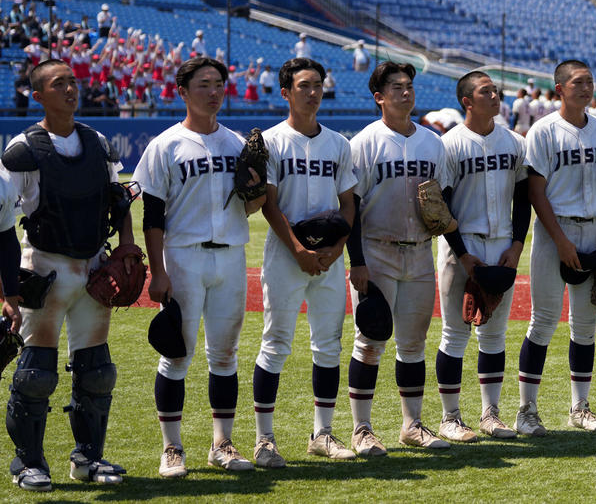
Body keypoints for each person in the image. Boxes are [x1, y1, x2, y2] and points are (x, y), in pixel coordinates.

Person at [3, 59, 133, 491]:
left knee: (97, 371)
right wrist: (6, 289)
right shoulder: (23, 150)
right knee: (35, 374)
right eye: (59, 84)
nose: (71, 90)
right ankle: (28, 463)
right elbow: (3, 221)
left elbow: (118, 201)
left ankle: (88, 459)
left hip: (94, 266)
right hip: (44, 267)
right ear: (37, 96)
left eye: (73, 82)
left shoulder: (97, 143)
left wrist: (128, 249)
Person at [136, 57, 267, 478]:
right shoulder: (165, 145)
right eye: (204, 84)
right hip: (183, 255)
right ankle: (171, 448)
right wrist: (158, 271)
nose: (213, 91)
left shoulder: (234, 144)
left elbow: (249, 207)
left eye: (218, 84)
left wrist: (257, 190)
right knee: (177, 354)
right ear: (183, 91)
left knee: (225, 354)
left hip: (230, 254)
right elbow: (152, 215)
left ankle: (222, 443)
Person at [252, 58, 358, 466]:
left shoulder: (338, 144)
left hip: (331, 259)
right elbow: (270, 206)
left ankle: (323, 433)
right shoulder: (273, 141)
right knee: (275, 344)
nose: (312, 92)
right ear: (285, 92)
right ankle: (265, 439)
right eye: (303, 85)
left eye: (318, 84)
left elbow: (348, 203)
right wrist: (298, 249)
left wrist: (337, 249)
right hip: (285, 254)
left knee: (328, 346)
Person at [346, 62, 455, 455]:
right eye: (396, 87)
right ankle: (362, 429)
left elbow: (442, 200)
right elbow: (351, 208)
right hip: (377, 251)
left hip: (420, 253)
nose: (405, 93)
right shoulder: (364, 142)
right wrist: (356, 260)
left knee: (413, 344)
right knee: (370, 341)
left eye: (409, 86)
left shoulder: (432, 142)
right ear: (379, 96)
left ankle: (412, 425)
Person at [517, 60, 596, 435]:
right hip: (552, 235)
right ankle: (526, 411)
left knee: (586, 326)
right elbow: (535, 191)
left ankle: (581, 407)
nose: (586, 88)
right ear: (559, 88)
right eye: (578, 82)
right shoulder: (543, 131)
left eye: (590, 81)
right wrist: (560, 240)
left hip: (592, 233)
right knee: (543, 321)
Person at [434, 71, 530, 441]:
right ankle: (450, 417)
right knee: (454, 334)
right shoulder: (451, 144)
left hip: (502, 245)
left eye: (496, 90)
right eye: (485, 91)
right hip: (461, 246)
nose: (495, 95)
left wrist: (518, 244)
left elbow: (523, 199)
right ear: (467, 102)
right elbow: (439, 204)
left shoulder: (513, 142)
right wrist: (461, 254)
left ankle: (491, 414)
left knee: (494, 336)